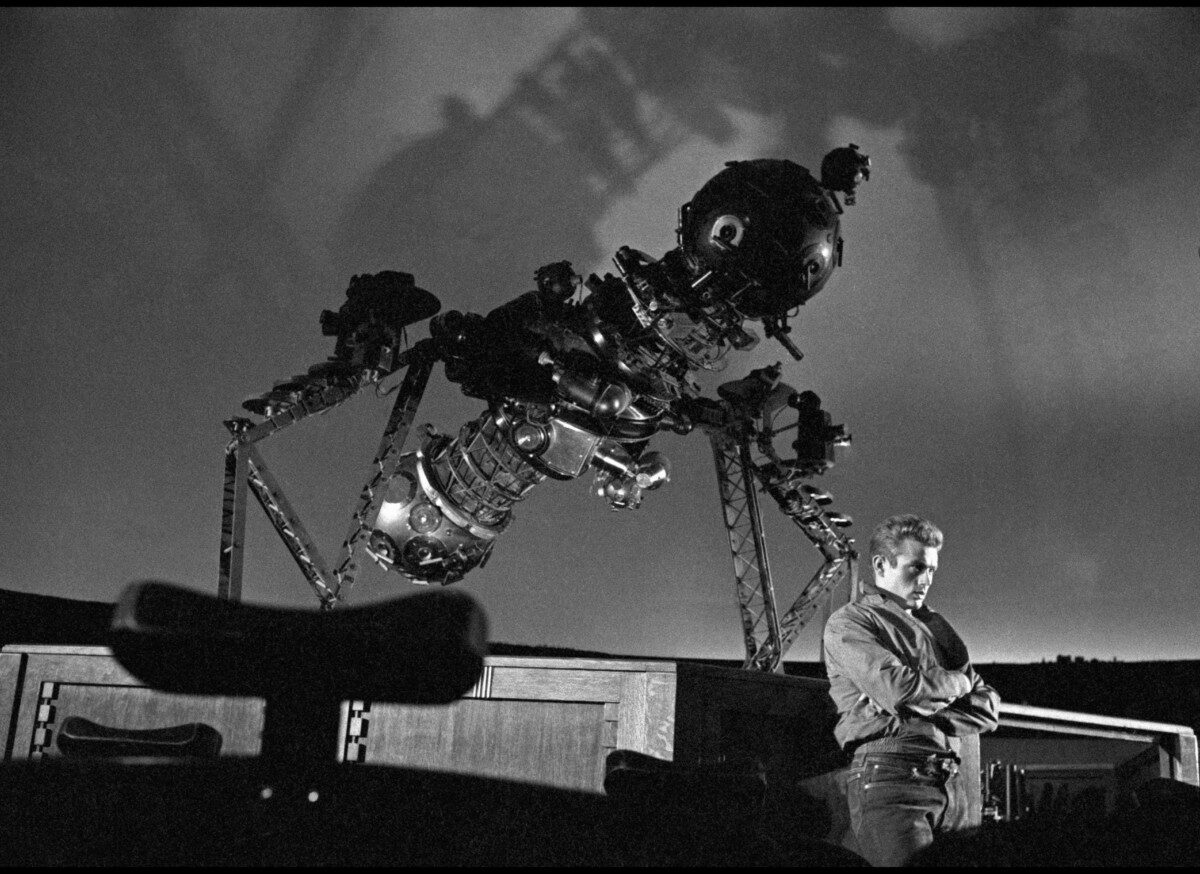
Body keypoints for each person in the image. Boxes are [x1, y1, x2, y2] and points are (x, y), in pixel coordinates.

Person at [822, 514, 1000, 866]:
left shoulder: (937, 629)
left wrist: (925, 701)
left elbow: (988, 707)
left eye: (932, 570)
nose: (926, 580)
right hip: (892, 780)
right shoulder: (851, 622)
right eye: (917, 567)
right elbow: (900, 690)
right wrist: (959, 685)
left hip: (953, 784)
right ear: (880, 565)